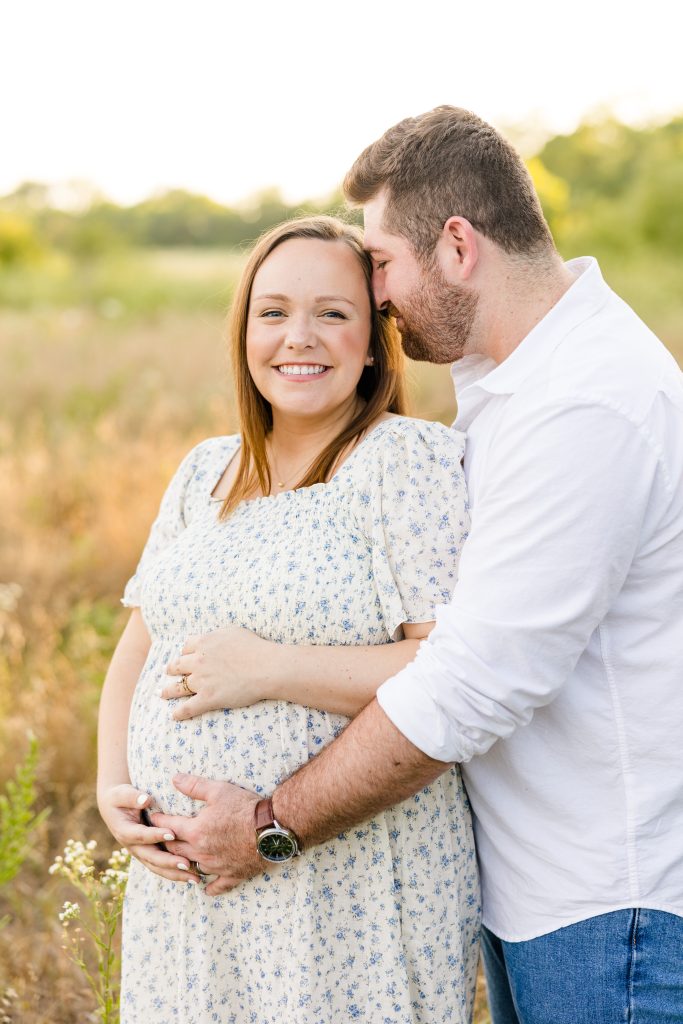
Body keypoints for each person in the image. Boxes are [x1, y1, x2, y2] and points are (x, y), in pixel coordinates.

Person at [151, 108, 683, 1024]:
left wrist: (269, 825)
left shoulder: (587, 405)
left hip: (610, 906)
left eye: (381, 264)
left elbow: (472, 681)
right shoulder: (516, 388)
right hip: (540, 896)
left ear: (458, 245)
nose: (378, 293)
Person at [97, 215, 480, 1023]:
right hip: (186, 894)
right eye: (272, 313)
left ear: (374, 342)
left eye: (331, 314)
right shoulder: (204, 470)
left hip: (343, 885)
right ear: (243, 333)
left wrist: (269, 666)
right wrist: (113, 788)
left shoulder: (404, 462)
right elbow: (141, 643)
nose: (296, 337)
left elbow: (457, 672)